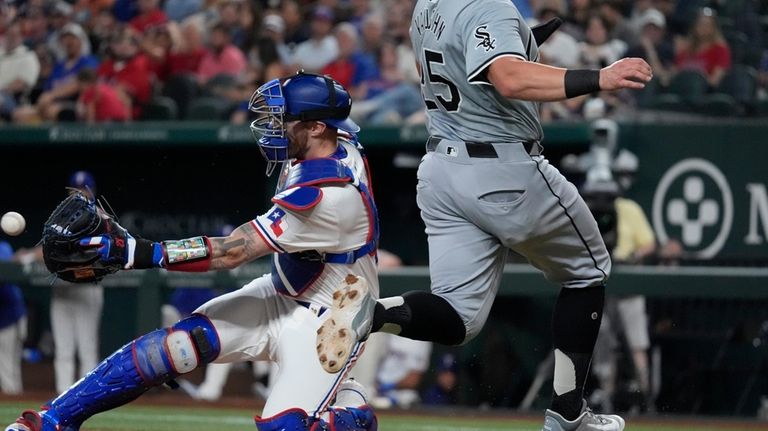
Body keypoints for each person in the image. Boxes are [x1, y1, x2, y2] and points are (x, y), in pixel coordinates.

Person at [315, 1, 652, 430]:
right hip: (502, 169)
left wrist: (524, 41)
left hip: (442, 170)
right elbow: (509, 78)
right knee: (587, 272)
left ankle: (374, 313)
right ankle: (567, 415)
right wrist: (599, 78)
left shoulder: (428, 6)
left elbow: (462, 63)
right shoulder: (488, 8)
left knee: (458, 317)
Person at [6, 72, 378, 431]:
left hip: (331, 318)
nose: (274, 126)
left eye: (285, 119)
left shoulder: (330, 197)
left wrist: (139, 253)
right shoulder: (333, 139)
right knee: (170, 348)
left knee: (285, 428)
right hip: (283, 291)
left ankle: (352, 412)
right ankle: (51, 420)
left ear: (316, 127)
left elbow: (231, 252)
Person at [0, 241, 27, 395]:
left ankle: (13, 395)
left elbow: (6, 268)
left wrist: (15, 260)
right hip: (8, 314)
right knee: (7, 363)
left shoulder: (3, 247)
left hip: (11, 314)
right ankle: (14, 394)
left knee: (8, 362)